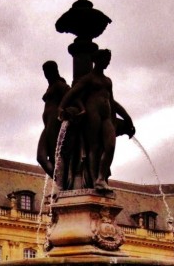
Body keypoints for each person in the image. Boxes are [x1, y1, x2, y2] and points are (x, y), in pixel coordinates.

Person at [58, 48, 135, 191]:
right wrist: (61, 108)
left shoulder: (107, 81)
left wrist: (127, 118)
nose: (107, 63)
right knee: (94, 147)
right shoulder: (89, 79)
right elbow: (72, 93)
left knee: (110, 146)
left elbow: (112, 102)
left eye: (109, 60)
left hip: (106, 116)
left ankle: (101, 177)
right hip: (93, 114)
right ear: (97, 61)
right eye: (106, 60)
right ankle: (95, 181)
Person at [36, 60, 71, 182]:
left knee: (57, 157)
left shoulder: (59, 84)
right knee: (41, 157)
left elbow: (71, 95)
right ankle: (61, 181)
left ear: (55, 71)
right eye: (45, 71)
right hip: (47, 126)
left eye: (48, 71)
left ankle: (64, 182)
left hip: (56, 125)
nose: (46, 74)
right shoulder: (51, 86)